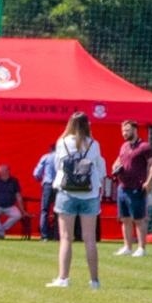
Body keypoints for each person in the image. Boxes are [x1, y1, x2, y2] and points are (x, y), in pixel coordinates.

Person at [48, 110, 107, 289]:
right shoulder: (93, 144)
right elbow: (100, 168)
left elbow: (58, 166)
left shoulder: (63, 142)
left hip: (67, 192)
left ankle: (63, 278)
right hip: (89, 193)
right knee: (90, 239)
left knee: (66, 237)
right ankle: (94, 280)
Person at [111, 119, 152, 257]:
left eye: (127, 130)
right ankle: (127, 246)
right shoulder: (124, 146)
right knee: (125, 218)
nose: (124, 133)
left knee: (139, 219)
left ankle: (141, 248)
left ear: (135, 130)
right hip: (123, 187)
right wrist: (115, 166)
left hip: (136, 187)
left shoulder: (144, 147)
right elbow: (119, 160)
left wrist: (149, 182)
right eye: (123, 130)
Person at [0, 164, 26, 238]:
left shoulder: (14, 181)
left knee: (18, 215)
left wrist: (23, 210)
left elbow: (18, 196)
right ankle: (0, 233)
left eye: (4, 171)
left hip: (10, 206)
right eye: (0, 171)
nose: (2, 173)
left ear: (8, 171)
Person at [33, 147, 58, 241]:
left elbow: (36, 173)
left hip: (47, 185)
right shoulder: (61, 157)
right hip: (59, 186)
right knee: (59, 212)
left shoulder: (46, 157)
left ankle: (44, 236)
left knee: (44, 211)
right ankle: (57, 235)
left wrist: (40, 179)